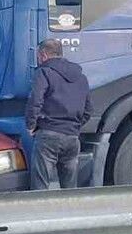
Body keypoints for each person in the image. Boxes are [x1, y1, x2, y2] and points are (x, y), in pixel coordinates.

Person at [25, 38, 93, 190]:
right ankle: (69, 212)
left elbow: (35, 99)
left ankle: (42, 213)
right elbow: (88, 110)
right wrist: (73, 126)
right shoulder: (81, 77)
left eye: (38, 57)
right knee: (69, 189)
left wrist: (30, 125)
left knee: (40, 186)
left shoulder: (44, 72)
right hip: (72, 138)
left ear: (43, 55)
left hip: (49, 135)